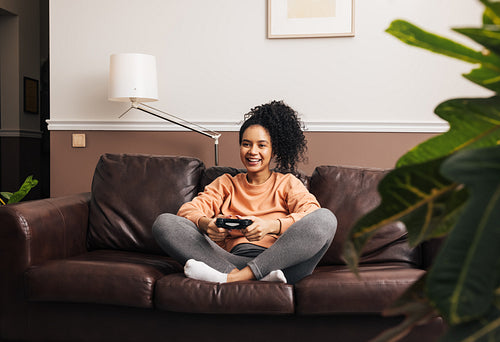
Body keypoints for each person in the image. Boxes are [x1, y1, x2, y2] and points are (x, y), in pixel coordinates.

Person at [152, 100, 337, 284]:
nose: (252, 152)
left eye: (262, 145)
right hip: (228, 260)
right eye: (246, 144)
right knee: (164, 223)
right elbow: (186, 212)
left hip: (281, 263)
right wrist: (207, 224)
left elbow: (312, 215)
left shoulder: (288, 183)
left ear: (273, 150)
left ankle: (233, 278)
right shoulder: (225, 183)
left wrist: (271, 226)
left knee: (326, 218)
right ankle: (248, 275)